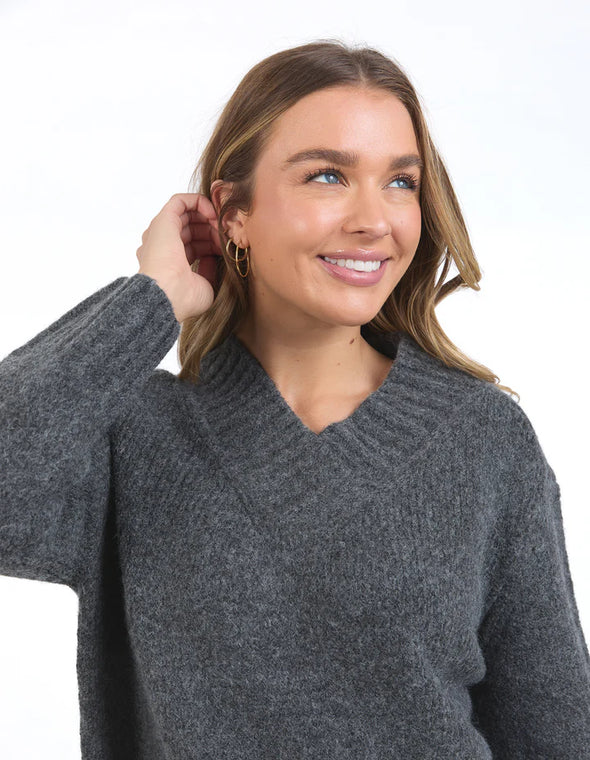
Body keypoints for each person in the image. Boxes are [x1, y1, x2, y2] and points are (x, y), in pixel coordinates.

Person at [1, 39, 589, 759]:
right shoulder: (136, 433)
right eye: (327, 176)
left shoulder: (483, 439)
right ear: (233, 212)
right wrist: (151, 302)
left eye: (400, 182)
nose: (374, 219)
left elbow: (556, 734)